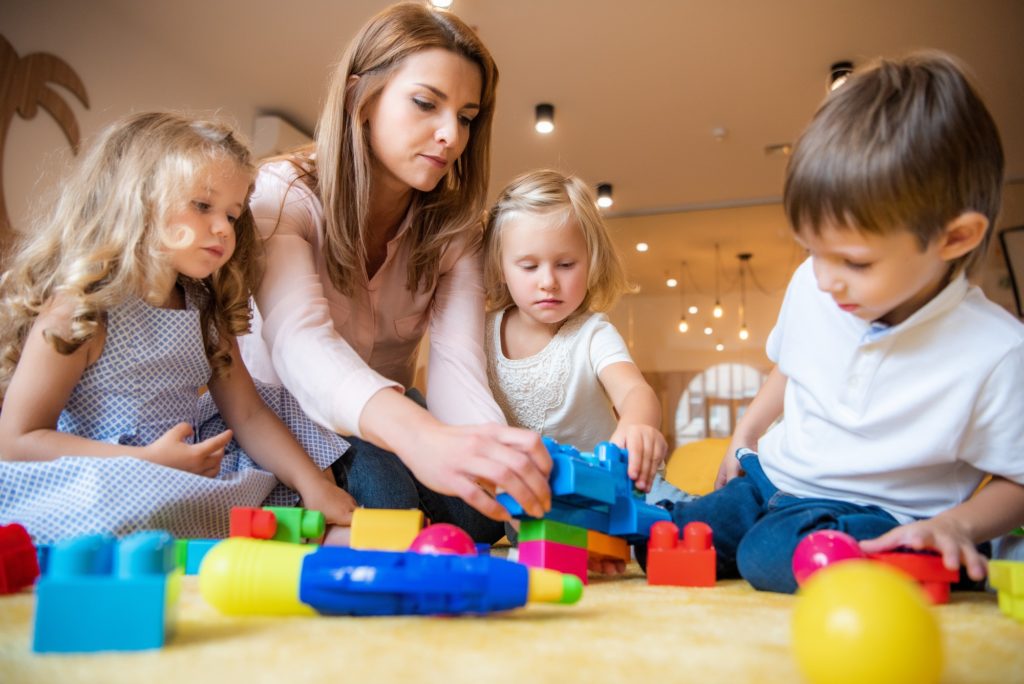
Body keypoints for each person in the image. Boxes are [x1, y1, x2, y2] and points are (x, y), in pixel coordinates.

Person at [640, 52, 1024, 593]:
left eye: (855, 262)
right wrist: (744, 436)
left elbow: (1017, 478)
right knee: (672, 536)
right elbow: (789, 369)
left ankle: (920, 566)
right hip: (770, 480)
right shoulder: (812, 286)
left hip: (881, 513)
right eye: (812, 252)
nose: (824, 280)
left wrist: (953, 526)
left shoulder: (996, 351)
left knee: (769, 553)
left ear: (954, 238)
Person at [239, 2, 551, 542]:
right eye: (426, 103)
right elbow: (299, 343)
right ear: (362, 97)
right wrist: (420, 437)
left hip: (392, 413)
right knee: (388, 506)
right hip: (286, 410)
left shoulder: (456, 231)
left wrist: (499, 466)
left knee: (481, 513)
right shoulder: (280, 194)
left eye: (467, 117)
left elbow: (458, 366)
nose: (451, 135)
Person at [0, 112, 355, 543]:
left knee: (280, 403)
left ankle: (310, 520)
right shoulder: (82, 308)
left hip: (181, 467)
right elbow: (16, 442)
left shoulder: (204, 310)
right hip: (101, 477)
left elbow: (246, 413)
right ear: (140, 199)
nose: (224, 228)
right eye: (203, 206)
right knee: (120, 511)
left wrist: (312, 484)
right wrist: (146, 461)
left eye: (232, 213)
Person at [482, 170, 668, 572]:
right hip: (535, 498)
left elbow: (635, 391)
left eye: (565, 264)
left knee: (679, 521)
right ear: (500, 267)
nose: (548, 281)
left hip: (615, 489)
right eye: (528, 266)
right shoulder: (482, 333)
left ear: (591, 262)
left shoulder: (591, 332)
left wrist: (637, 425)